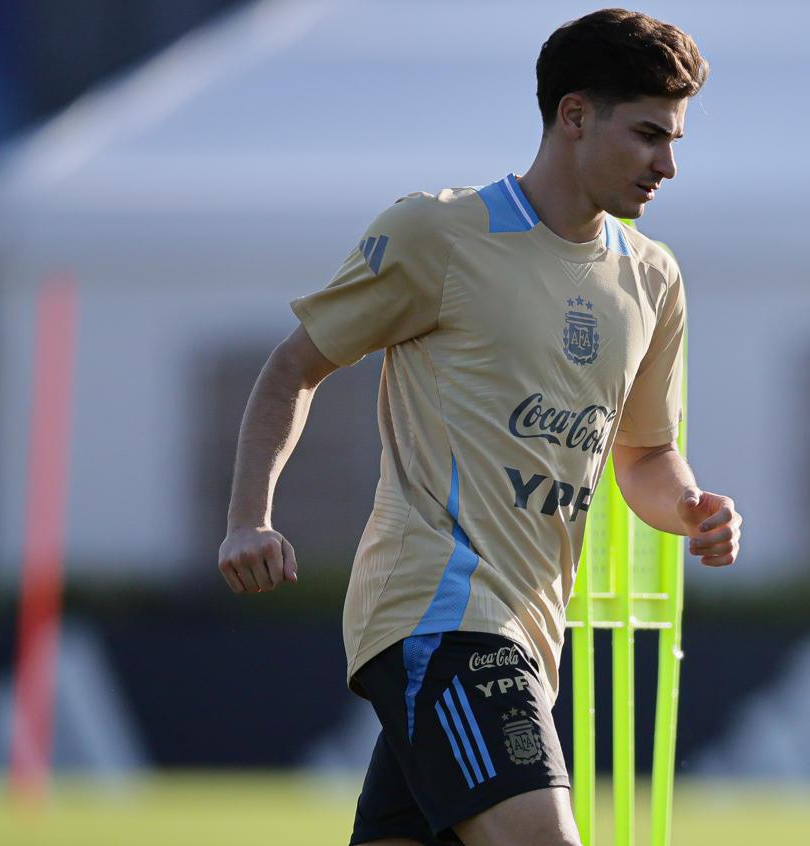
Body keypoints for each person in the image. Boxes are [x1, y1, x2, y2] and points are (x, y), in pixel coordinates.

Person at [216, 9, 740, 846]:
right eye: (647, 135)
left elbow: (643, 453)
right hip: (438, 609)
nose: (667, 165)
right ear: (574, 117)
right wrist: (250, 517)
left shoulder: (653, 277)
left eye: (673, 139)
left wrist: (688, 509)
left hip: (531, 630)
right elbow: (293, 369)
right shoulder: (438, 233)